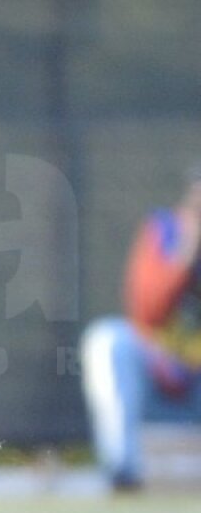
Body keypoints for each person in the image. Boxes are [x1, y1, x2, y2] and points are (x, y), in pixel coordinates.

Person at [80, 162, 201, 490]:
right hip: (162, 381)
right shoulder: (165, 230)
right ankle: (124, 473)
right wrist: (186, 254)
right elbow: (147, 309)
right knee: (107, 339)